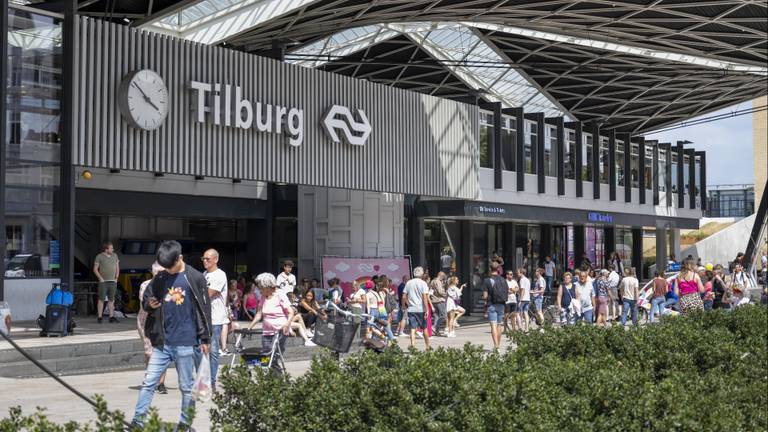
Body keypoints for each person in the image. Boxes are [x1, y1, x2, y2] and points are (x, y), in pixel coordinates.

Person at [131, 240, 211, 431]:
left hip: (186, 341)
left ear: (179, 258)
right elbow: (146, 299)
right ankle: (137, 422)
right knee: (148, 383)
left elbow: (204, 310)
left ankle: (185, 424)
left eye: (170, 266)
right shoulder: (160, 278)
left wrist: (206, 338)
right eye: (164, 267)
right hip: (162, 342)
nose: (167, 270)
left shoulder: (195, 277)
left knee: (186, 387)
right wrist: (149, 305)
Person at [246, 273, 292, 374]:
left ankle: (276, 377)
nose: (259, 290)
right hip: (267, 332)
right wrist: (249, 327)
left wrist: (287, 324)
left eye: (261, 287)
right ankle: (274, 377)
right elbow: (259, 314)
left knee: (272, 356)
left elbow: (290, 312)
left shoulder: (280, 295)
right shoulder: (263, 297)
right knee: (266, 357)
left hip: (280, 331)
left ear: (267, 287)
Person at [137, 262, 167, 394]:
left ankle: (161, 382)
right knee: (149, 352)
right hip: (146, 321)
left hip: (163, 320)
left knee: (162, 351)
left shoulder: (169, 284)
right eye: (157, 273)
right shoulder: (145, 285)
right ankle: (150, 378)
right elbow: (146, 302)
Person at [202, 248, 228, 392]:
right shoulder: (204, 274)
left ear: (216, 259)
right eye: (204, 258)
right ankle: (203, 379)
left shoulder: (220, 275)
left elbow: (208, 294)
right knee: (201, 350)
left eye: (208, 259)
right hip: (203, 318)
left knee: (212, 351)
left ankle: (211, 381)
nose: (205, 261)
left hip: (215, 319)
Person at [403, 267, 430, 349]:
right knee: (424, 328)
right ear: (421, 274)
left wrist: (405, 305)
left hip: (411, 309)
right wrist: (426, 309)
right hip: (421, 309)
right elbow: (424, 296)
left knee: (412, 328)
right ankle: (427, 346)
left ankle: (413, 345)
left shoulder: (408, 283)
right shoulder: (423, 283)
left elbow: (404, 296)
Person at [93, 242, 120, 323]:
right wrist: (100, 278)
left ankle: (111, 317)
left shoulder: (115, 255)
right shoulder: (99, 256)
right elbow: (95, 269)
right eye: (111, 248)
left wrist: (116, 278)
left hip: (113, 281)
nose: (113, 249)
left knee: (111, 300)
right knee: (101, 299)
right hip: (103, 282)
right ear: (106, 249)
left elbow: (117, 267)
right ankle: (99, 317)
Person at [482, 262, 507, 349]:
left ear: (490, 269)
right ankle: (498, 346)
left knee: (493, 326)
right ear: (498, 269)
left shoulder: (487, 280)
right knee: (499, 325)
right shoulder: (503, 280)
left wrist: (484, 299)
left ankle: (496, 346)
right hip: (501, 304)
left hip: (491, 305)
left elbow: (485, 296)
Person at [430, 272, 449, 337]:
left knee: (437, 316)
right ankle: (434, 327)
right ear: (441, 276)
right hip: (440, 300)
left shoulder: (432, 281)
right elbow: (440, 291)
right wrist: (447, 294)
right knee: (444, 315)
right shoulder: (438, 281)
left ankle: (436, 331)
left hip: (434, 300)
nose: (443, 279)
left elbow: (431, 291)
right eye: (443, 277)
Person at [517, 268, 531, 332]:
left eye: (518, 273)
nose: (517, 274)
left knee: (518, 313)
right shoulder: (527, 280)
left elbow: (523, 290)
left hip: (523, 299)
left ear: (521, 273)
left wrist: (520, 299)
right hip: (527, 298)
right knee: (526, 313)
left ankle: (520, 328)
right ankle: (527, 328)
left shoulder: (522, 280)